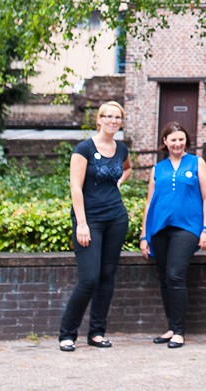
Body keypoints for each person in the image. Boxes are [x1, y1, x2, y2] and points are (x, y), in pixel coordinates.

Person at [58, 100, 132, 352]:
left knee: (107, 277)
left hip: (116, 218)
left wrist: (118, 184)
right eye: (108, 116)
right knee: (89, 278)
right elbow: (75, 187)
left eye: (117, 117)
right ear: (98, 119)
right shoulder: (84, 149)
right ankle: (67, 333)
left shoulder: (121, 149)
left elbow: (127, 169)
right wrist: (81, 223)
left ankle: (97, 333)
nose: (113, 121)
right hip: (89, 220)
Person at [139, 122, 206, 349]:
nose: (177, 143)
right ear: (165, 142)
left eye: (181, 139)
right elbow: (150, 202)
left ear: (186, 141)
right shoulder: (157, 169)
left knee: (175, 274)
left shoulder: (197, 163)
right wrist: (144, 235)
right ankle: (171, 326)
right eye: (173, 140)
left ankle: (180, 331)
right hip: (159, 229)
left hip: (188, 228)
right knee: (164, 278)